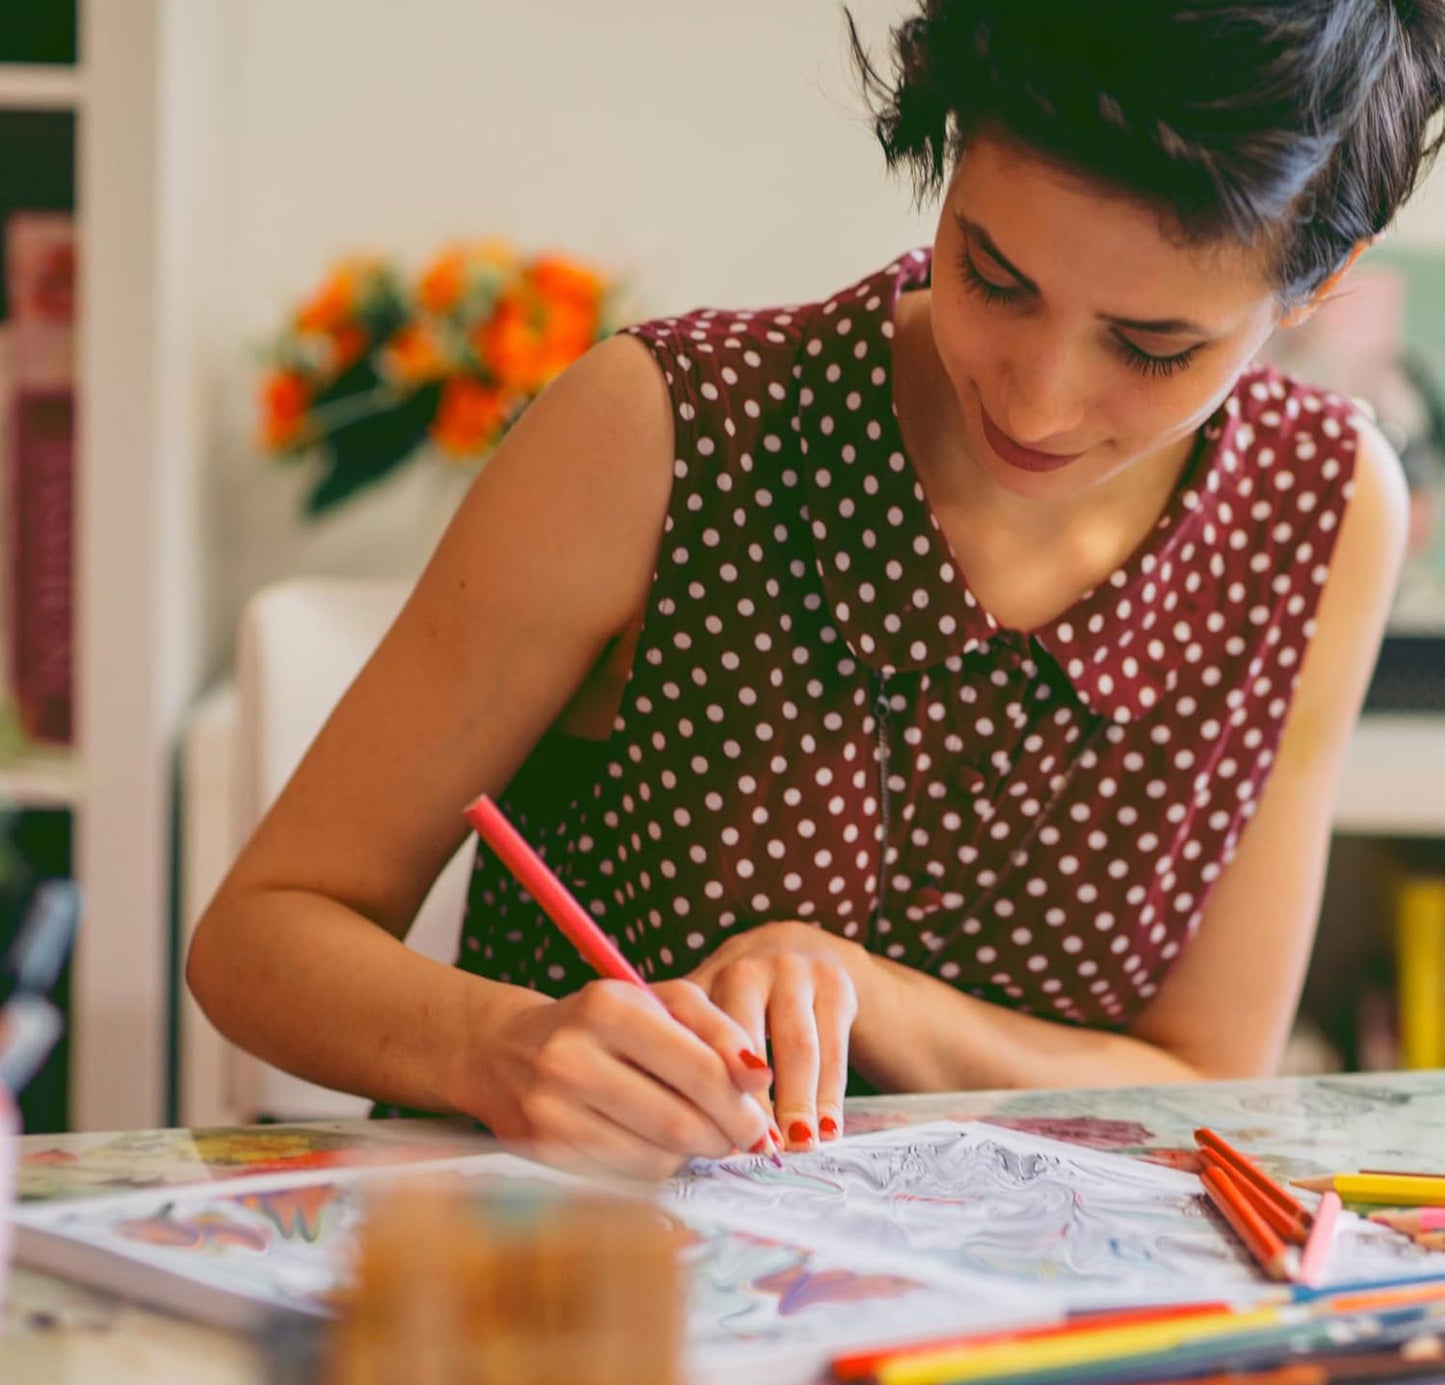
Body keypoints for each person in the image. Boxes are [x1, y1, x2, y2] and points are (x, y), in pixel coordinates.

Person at [189, 0, 1445, 1180]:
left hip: (1001, 1352)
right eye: (993, 274)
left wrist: (868, 992)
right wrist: (491, 1045)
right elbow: (259, 937)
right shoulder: (668, 429)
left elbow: (1206, 1077)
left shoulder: (1323, 507)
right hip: (580, 1298)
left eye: (1152, 346)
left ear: (1319, 290)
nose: (1036, 397)